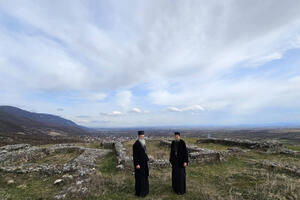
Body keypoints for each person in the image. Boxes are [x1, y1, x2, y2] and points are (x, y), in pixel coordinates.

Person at [133, 130, 149, 197]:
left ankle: (145, 191)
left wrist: (147, 158)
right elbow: (135, 155)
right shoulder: (135, 144)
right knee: (139, 178)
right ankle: (140, 192)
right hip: (139, 165)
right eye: (141, 136)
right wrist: (137, 164)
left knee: (145, 177)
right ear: (138, 136)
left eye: (143, 136)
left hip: (144, 164)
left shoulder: (143, 143)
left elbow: (144, 153)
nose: (142, 137)